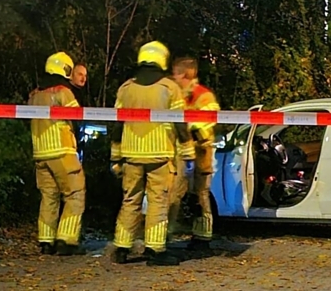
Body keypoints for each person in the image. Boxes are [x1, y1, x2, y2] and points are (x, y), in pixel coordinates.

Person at [109, 41, 194, 266]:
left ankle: (121, 248)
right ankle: (155, 250)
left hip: (130, 154)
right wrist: (188, 152)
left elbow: (117, 124)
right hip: (159, 154)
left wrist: (115, 156)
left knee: (130, 200)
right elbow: (180, 123)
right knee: (158, 201)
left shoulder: (126, 88)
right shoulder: (169, 87)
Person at [28, 51, 86, 256]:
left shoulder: (34, 94)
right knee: (75, 194)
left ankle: (46, 241)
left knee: (48, 197)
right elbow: (77, 116)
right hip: (62, 151)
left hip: (40, 153)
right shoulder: (63, 91)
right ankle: (66, 240)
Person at [167, 57, 220, 251]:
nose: (174, 77)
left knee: (201, 195)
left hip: (200, 154)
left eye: (176, 73)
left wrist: (186, 127)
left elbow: (208, 122)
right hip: (181, 154)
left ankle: (202, 237)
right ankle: (164, 235)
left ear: (185, 75)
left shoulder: (203, 96)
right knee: (174, 195)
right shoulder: (176, 95)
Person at [69, 63, 90, 144]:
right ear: (72, 75)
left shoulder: (84, 93)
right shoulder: (67, 92)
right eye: (80, 74)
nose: (83, 79)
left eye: (85, 76)